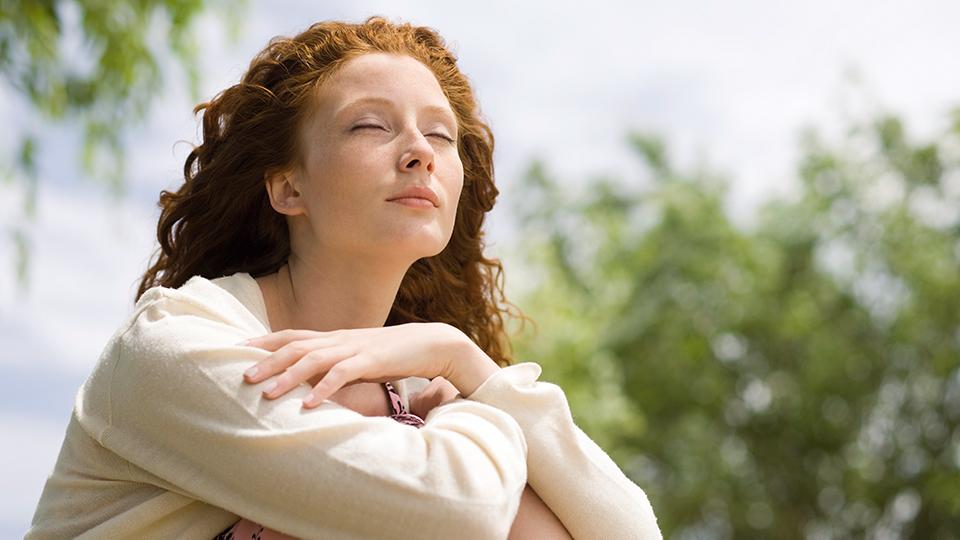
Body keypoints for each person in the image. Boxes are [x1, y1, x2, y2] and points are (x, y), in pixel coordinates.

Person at [25, 16, 662, 540]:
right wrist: (477, 413)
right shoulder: (177, 346)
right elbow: (455, 514)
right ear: (288, 186)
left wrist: (464, 361)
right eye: (370, 125)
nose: (419, 152)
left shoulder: (422, 384)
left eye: (440, 135)